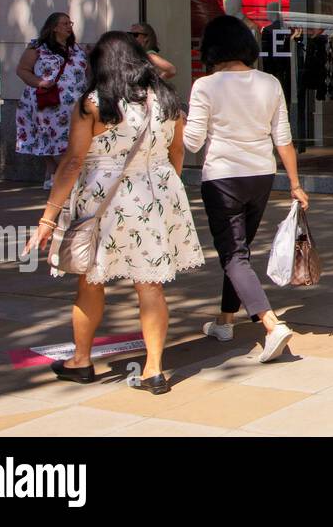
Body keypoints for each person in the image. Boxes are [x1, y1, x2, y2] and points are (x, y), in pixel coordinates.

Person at [23, 32, 204, 395]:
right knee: (149, 283)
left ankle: (81, 360)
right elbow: (178, 152)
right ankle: (153, 368)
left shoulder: (93, 103)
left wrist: (47, 218)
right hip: (155, 193)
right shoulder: (166, 100)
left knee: (91, 279)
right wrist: (167, 180)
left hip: (103, 197)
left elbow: (73, 162)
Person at [184, 15, 309, 364]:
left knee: (233, 253)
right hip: (261, 175)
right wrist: (295, 184)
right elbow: (283, 138)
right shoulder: (269, 82)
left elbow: (192, 142)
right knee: (239, 251)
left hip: (222, 176)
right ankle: (225, 321)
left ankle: (271, 325)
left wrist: (177, 119)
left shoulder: (205, 86)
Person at [15, 13, 90, 189]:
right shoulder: (38, 47)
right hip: (48, 101)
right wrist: (40, 82)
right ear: (54, 27)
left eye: (70, 23)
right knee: (47, 136)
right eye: (64, 23)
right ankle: (53, 171)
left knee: (71, 138)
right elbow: (23, 70)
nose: (69, 26)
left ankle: (62, 174)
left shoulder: (76, 49)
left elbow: (84, 72)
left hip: (74, 102)